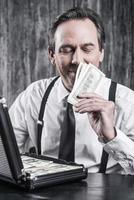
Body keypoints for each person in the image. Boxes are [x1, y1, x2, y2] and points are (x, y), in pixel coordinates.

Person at [9, 7, 134, 174]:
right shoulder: (33, 96)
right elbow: (3, 155)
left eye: (87, 49)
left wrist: (111, 136)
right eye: (66, 49)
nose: (77, 60)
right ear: (52, 55)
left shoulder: (127, 102)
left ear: (101, 53)